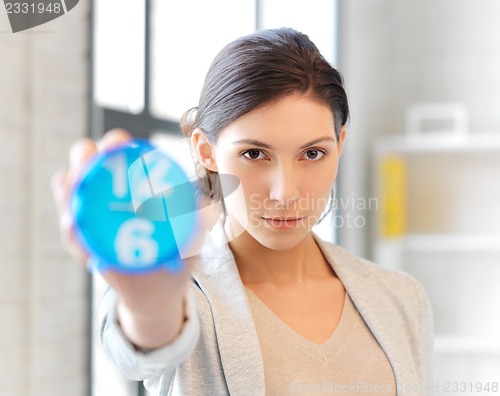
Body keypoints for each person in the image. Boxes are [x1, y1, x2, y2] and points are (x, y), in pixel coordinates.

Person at [52, 28, 434, 395]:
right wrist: (150, 309)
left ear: (340, 143)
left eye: (313, 153)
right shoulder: (180, 294)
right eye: (254, 154)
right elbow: (144, 344)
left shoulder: (401, 298)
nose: (285, 193)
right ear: (206, 150)